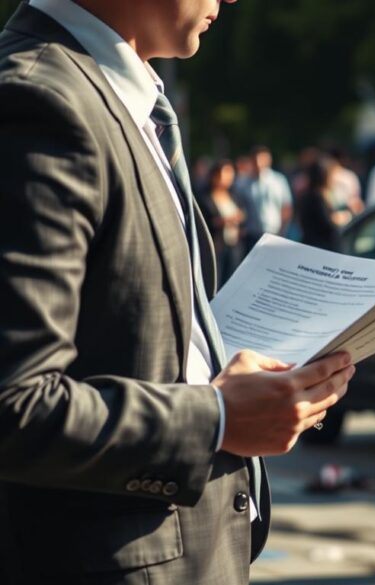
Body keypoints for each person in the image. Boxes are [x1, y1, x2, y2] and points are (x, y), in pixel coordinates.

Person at [0, 1, 356, 583]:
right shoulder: (40, 101)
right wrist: (217, 419)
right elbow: (16, 404)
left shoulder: (115, 97)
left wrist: (248, 393)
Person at [199, 159, 246, 285]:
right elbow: (204, 222)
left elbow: (242, 214)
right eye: (223, 174)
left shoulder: (234, 195)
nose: (226, 178)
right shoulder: (205, 198)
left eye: (230, 174)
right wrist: (225, 221)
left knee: (232, 281)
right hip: (216, 246)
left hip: (234, 245)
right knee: (216, 281)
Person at [239, 145, 293, 253]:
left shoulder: (278, 180)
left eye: (262, 160)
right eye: (256, 160)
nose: (259, 163)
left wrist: (282, 231)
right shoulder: (243, 183)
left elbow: (286, 207)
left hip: (274, 233)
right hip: (252, 235)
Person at [299, 157, 352, 251]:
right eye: (332, 175)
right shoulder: (316, 197)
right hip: (320, 249)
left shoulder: (314, 195)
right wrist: (342, 218)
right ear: (324, 176)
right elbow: (327, 224)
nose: (335, 178)